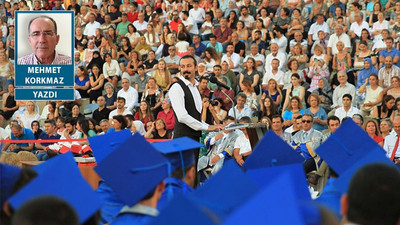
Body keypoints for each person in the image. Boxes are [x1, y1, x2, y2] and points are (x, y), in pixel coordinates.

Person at [168, 55, 223, 177]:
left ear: (196, 68)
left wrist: (212, 126)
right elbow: (182, 116)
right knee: (182, 177)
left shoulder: (195, 88)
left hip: (194, 139)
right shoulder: (177, 87)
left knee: (192, 176)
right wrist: (207, 128)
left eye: (189, 66)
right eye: (182, 66)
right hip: (182, 139)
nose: (185, 69)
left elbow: (196, 116)